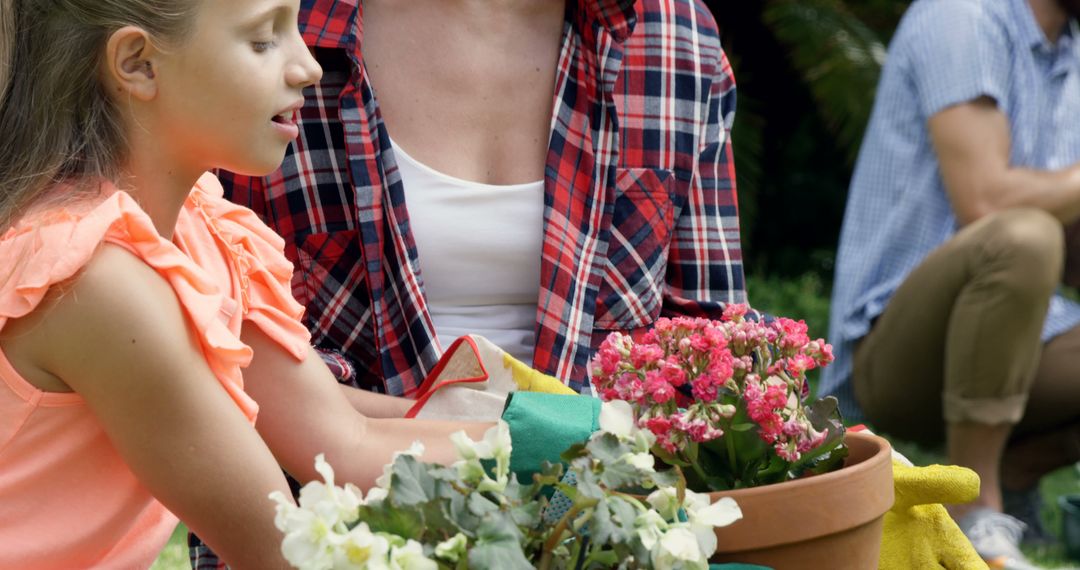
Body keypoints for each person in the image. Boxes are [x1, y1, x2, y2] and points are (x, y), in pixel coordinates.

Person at [0, 1, 499, 567]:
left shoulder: (195, 226)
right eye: (264, 40)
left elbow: (344, 440)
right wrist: (571, 454)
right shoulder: (97, 282)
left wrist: (579, 431)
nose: (308, 67)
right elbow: (285, 552)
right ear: (138, 63)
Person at [219, 0, 751, 399]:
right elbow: (222, 355)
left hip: (603, 520)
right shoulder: (273, 28)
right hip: (334, 521)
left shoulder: (672, 40)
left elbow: (712, 346)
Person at [820, 0, 1080, 567]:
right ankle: (974, 510)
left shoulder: (1070, 52)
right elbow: (985, 201)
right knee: (1025, 237)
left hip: (1019, 338)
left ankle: (1020, 470)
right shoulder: (962, 16)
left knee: (1032, 238)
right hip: (893, 357)